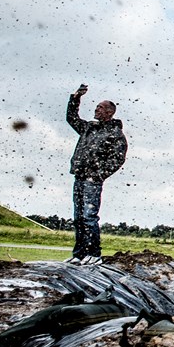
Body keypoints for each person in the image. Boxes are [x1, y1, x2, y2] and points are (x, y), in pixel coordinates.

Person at [64, 84, 128, 266]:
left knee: (89, 216)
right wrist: (75, 98)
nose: (96, 110)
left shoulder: (115, 134)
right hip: (79, 176)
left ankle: (94, 253)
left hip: (93, 180)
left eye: (100, 108)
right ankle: (79, 253)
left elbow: (118, 159)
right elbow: (71, 118)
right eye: (96, 107)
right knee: (78, 217)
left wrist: (99, 175)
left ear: (109, 112)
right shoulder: (89, 128)